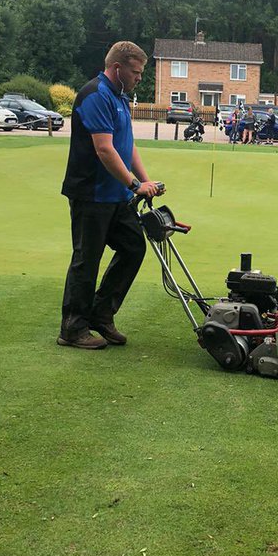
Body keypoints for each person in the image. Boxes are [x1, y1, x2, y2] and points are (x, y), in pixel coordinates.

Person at [58, 41, 163, 349]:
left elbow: (126, 146)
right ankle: (72, 329)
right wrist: (134, 185)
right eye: (135, 72)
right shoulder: (95, 95)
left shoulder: (120, 97)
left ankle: (101, 314)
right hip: (90, 193)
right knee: (86, 260)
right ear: (117, 68)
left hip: (116, 196)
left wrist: (146, 182)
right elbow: (104, 149)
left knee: (133, 248)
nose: (139, 78)